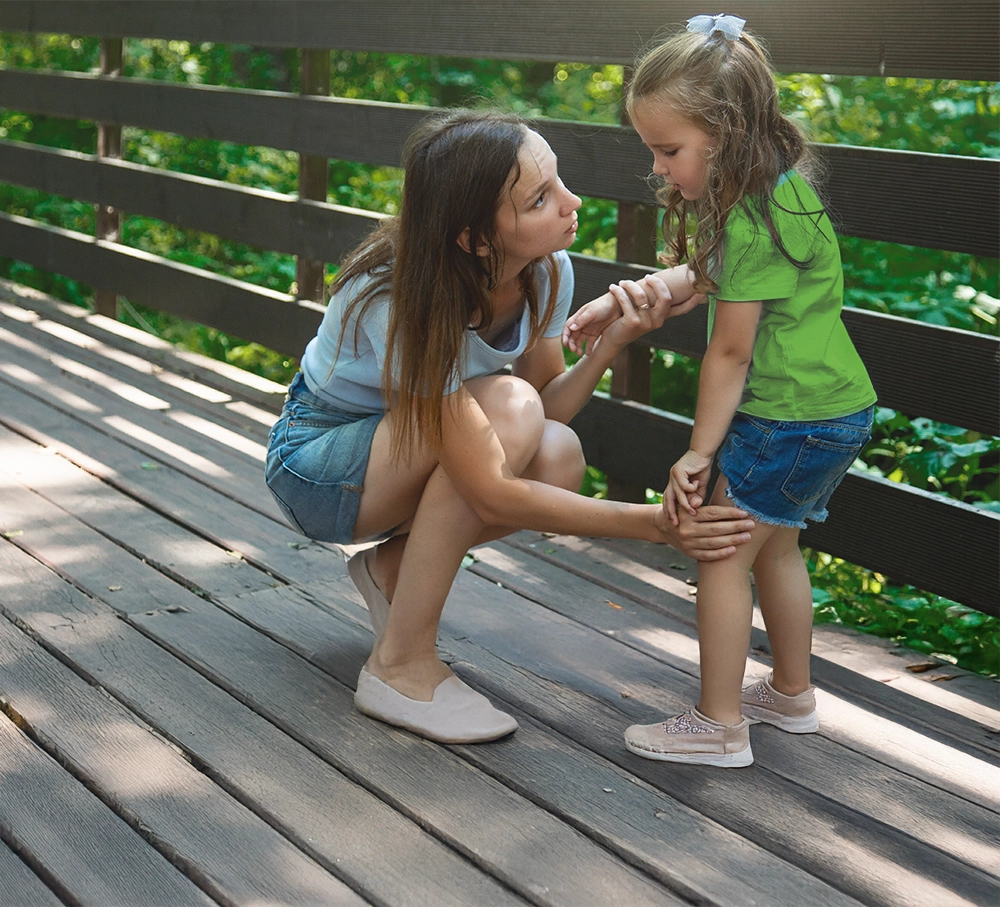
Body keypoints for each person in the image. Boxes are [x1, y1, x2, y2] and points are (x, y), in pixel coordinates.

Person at [265, 109, 756, 745]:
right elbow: (492, 486)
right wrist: (654, 524)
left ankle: (393, 570)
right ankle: (398, 666)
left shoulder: (544, 270)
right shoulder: (398, 296)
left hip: (402, 453)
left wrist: (612, 341)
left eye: (559, 182)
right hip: (319, 467)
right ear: (475, 238)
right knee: (511, 410)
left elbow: (542, 413)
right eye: (540, 199)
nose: (572, 203)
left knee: (558, 455)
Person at [565, 15, 877, 767]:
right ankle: (790, 693)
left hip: (783, 418)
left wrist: (698, 453)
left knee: (720, 555)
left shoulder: (754, 217)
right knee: (776, 548)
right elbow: (705, 277)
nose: (658, 167)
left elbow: (731, 351)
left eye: (668, 150)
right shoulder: (778, 193)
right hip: (832, 408)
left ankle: (719, 724)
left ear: (725, 132)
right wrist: (619, 299)